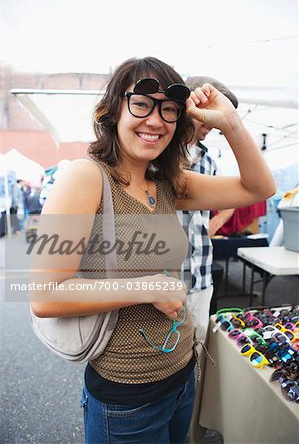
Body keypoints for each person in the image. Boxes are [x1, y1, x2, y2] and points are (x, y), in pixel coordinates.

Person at [30, 57, 275, 444]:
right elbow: (44, 295)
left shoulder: (165, 183)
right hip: (127, 397)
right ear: (113, 110)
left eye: (169, 110)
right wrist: (148, 287)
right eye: (141, 103)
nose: (156, 120)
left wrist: (229, 123)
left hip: (181, 378)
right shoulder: (86, 177)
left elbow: (259, 189)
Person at [180, 75, 237, 346]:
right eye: (209, 117)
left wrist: (211, 226)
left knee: (198, 351)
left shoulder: (209, 162)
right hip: (163, 281)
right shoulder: (155, 154)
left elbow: (234, 198)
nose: (213, 127)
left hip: (201, 277)